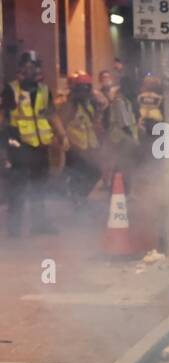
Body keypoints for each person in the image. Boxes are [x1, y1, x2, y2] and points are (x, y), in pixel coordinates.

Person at [3, 51, 68, 237]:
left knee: (40, 184)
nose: (30, 70)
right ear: (21, 68)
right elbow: (4, 118)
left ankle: (39, 223)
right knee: (18, 185)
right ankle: (14, 228)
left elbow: (51, 114)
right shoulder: (11, 89)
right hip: (18, 143)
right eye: (26, 67)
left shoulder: (43, 90)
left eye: (33, 67)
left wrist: (62, 135)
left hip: (40, 144)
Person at [61, 73, 103, 204]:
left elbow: (95, 122)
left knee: (95, 172)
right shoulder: (69, 106)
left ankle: (79, 197)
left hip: (89, 147)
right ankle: (76, 199)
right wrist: (64, 140)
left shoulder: (89, 104)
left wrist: (99, 108)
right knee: (79, 174)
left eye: (87, 88)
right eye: (81, 88)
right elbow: (61, 123)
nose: (84, 91)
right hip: (75, 147)